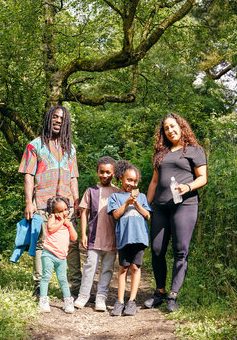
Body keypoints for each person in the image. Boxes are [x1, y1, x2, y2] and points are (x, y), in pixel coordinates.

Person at [144, 113, 207, 313]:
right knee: (156, 250)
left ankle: (173, 295)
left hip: (185, 205)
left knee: (180, 250)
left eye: (173, 126)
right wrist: (145, 206)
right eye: (166, 128)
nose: (170, 131)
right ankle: (160, 292)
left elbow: (203, 178)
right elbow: (154, 182)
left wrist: (187, 187)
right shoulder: (160, 153)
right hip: (160, 207)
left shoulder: (195, 151)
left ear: (181, 126)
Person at [18, 106, 81, 297]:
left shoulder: (70, 148)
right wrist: (29, 202)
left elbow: (73, 178)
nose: (58, 121)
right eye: (55, 117)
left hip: (67, 206)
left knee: (72, 245)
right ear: (48, 119)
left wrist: (77, 203)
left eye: (62, 119)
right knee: (41, 244)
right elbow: (28, 175)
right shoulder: (34, 145)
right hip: (43, 205)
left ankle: (75, 288)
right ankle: (39, 286)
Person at [74, 156, 120, 312]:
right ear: (97, 171)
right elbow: (84, 213)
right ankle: (83, 295)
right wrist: (84, 234)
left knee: (107, 268)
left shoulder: (118, 192)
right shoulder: (91, 191)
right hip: (94, 237)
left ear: (114, 173)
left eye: (108, 172)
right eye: (102, 172)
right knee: (89, 267)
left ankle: (101, 297)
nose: (105, 175)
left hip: (111, 238)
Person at [107, 160, 152, 316]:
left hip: (139, 237)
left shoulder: (142, 197)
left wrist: (137, 203)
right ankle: (119, 301)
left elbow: (147, 215)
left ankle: (131, 301)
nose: (132, 184)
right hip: (124, 238)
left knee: (135, 267)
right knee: (123, 268)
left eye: (135, 181)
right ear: (121, 178)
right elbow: (116, 214)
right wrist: (127, 203)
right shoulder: (115, 197)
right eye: (129, 180)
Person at [39, 196, 78, 313]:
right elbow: (50, 229)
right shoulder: (52, 218)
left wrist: (70, 225)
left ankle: (68, 300)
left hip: (61, 257)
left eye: (66, 209)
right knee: (46, 277)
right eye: (60, 211)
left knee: (63, 279)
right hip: (49, 254)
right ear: (53, 212)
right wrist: (61, 221)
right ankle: (43, 300)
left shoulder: (68, 222)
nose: (64, 213)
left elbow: (74, 238)